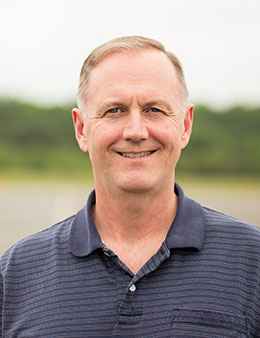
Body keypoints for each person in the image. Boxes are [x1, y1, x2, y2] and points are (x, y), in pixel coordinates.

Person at [1, 36, 260, 338]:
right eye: (114, 110)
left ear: (185, 126)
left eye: (155, 110)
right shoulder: (15, 274)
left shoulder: (252, 262)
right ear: (82, 129)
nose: (136, 131)